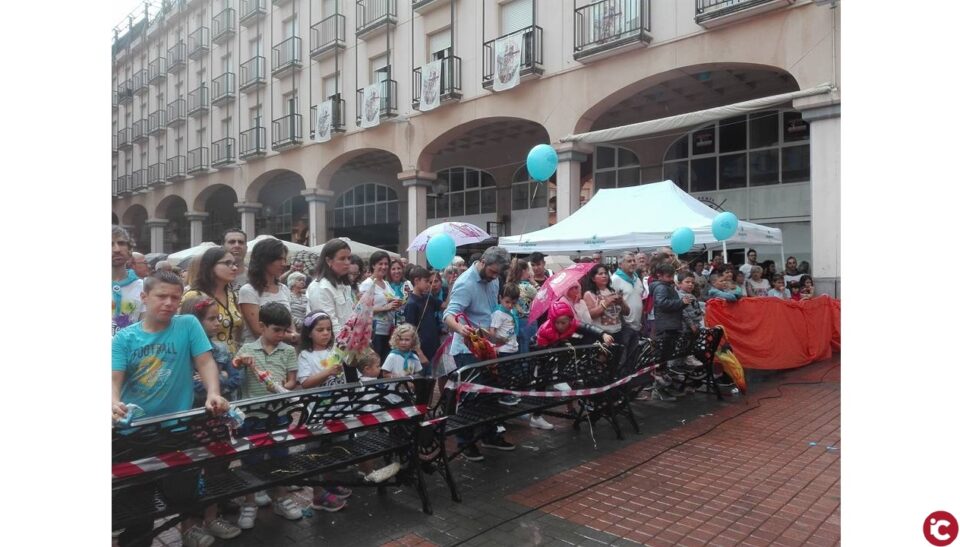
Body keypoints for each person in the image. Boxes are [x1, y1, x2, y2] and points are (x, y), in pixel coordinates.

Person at [112, 271, 230, 547]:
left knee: (182, 491)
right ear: (144, 297)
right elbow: (113, 379)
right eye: (161, 296)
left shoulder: (188, 324)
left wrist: (213, 392)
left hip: (177, 427)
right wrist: (112, 401)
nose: (168, 302)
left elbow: (205, 362)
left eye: (175, 297)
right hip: (134, 433)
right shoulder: (123, 339)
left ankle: (187, 529)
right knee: (136, 504)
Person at [233, 303, 303, 528]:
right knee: (251, 459)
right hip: (252, 416)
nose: (281, 335)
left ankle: (281, 497)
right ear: (262, 326)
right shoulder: (247, 349)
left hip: (280, 413)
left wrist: (285, 385)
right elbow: (234, 372)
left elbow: (292, 380)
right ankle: (250, 501)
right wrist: (239, 363)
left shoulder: (288, 350)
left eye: (285, 330)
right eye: (277, 330)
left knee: (280, 457)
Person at [443, 246, 515, 461]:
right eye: (493, 272)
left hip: (488, 345)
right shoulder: (465, 283)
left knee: (490, 394)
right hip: (467, 348)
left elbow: (491, 310)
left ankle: (489, 435)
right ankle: (466, 442)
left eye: (498, 273)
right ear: (482, 261)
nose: (495, 277)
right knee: (469, 397)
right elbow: (448, 314)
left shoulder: (493, 280)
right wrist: (460, 328)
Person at [294, 310, 351, 512]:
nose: (325, 333)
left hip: (337, 408)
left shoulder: (335, 350)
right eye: (320, 330)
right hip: (317, 412)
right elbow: (306, 383)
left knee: (333, 449)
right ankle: (318, 494)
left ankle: (330, 482)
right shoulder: (305, 355)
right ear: (309, 333)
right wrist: (328, 371)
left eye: (328, 329)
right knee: (315, 451)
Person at [180, 295, 242, 405]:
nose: (218, 323)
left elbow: (236, 378)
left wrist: (208, 380)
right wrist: (222, 376)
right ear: (195, 322)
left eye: (218, 318)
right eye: (211, 319)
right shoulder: (183, 354)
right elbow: (193, 387)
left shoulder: (221, 349)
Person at [182, 247, 243, 353]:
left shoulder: (231, 295)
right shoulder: (194, 295)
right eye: (227, 263)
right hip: (207, 360)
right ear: (210, 266)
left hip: (233, 361)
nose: (234, 268)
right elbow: (184, 333)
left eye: (235, 264)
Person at [238, 238, 298, 346]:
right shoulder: (248, 291)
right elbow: (257, 331)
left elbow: (289, 322)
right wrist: (292, 337)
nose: (283, 264)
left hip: (284, 352)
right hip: (257, 353)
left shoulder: (284, 289)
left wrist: (294, 335)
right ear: (265, 260)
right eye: (279, 259)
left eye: (284, 259)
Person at [649, 263, 692, 401]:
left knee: (664, 359)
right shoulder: (661, 287)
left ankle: (665, 387)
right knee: (661, 359)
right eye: (667, 276)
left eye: (671, 276)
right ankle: (659, 390)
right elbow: (662, 303)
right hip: (666, 326)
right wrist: (681, 302)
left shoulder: (665, 286)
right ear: (659, 275)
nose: (670, 279)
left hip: (670, 325)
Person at [359, 251, 404, 361]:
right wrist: (386, 307)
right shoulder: (367, 284)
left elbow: (389, 301)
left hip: (389, 330)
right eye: (380, 264)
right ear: (373, 265)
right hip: (374, 332)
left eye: (386, 264)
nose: (384, 267)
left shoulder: (386, 283)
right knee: (376, 363)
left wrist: (396, 303)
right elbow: (361, 309)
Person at [307, 239, 355, 335]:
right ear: (328, 261)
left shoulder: (345, 285)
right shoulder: (321, 287)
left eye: (349, 258)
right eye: (342, 259)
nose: (347, 262)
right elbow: (330, 324)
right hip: (332, 345)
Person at [402, 266, 442, 372]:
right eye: (426, 281)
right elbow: (410, 332)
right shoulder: (411, 304)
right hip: (422, 351)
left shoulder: (428, 298)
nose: (429, 285)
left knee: (432, 378)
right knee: (423, 382)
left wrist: (452, 285)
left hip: (433, 347)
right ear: (416, 280)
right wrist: (420, 353)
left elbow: (444, 305)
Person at [609, 251, 647, 362]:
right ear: (620, 264)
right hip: (624, 325)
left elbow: (639, 300)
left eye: (634, 260)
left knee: (633, 357)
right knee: (622, 358)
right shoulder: (615, 279)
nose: (633, 263)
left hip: (637, 324)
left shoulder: (637, 278)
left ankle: (630, 377)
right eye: (629, 261)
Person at [582, 263, 630, 346]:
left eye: (606, 273)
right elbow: (590, 315)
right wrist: (606, 303)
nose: (604, 276)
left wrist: (621, 302)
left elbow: (627, 312)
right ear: (593, 278)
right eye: (600, 274)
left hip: (618, 332)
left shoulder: (613, 291)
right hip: (602, 334)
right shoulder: (589, 294)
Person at [535, 300, 614, 348]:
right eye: (557, 323)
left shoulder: (574, 324)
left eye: (563, 323)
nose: (560, 326)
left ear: (570, 320)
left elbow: (588, 327)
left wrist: (603, 334)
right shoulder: (544, 331)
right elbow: (541, 350)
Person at [112, 225, 144, 336]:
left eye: (121, 243)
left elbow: (145, 331)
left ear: (129, 249)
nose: (116, 249)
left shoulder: (143, 288)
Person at [506, 258, 538, 354]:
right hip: (527, 322)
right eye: (528, 269)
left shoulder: (509, 285)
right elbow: (542, 296)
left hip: (512, 321)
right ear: (524, 271)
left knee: (517, 349)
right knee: (527, 349)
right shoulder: (527, 287)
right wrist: (534, 282)